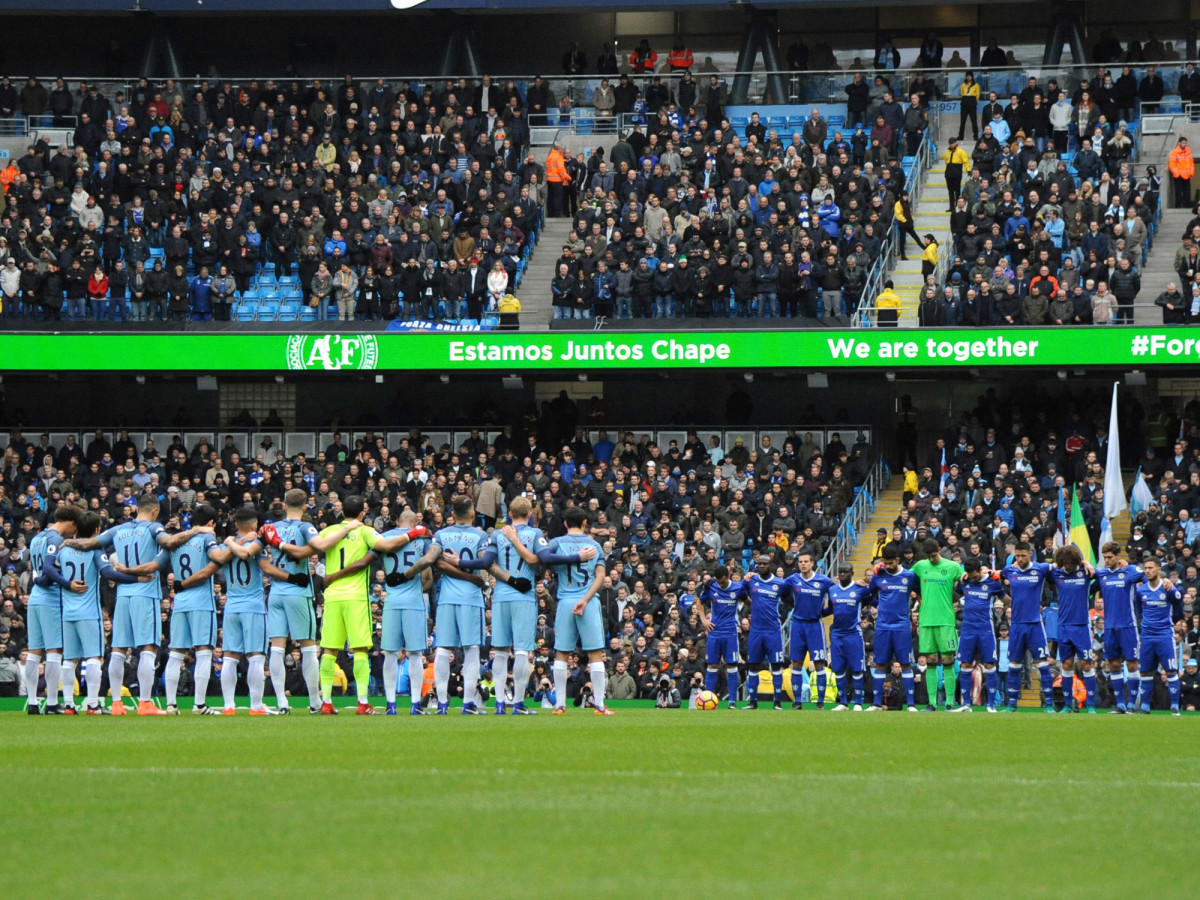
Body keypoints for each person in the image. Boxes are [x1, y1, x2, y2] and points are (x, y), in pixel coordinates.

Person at [457, 496, 595, 714]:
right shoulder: (535, 533)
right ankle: (518, 703)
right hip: (524, 596)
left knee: (500, 651)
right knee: (522, 650)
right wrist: (577, 556)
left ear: (509, 515)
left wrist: (459, 562)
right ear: (530, 515)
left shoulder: (499, 534)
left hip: (501, 595)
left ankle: (500, 703)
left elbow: (485, 563)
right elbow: (546, 559)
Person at [70, 492, 199, 715]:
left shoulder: (118, 529)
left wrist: (68, 542)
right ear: (155, 510)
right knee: (148, 647)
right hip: (145, 594)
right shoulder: (152, 528)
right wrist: (195, 530)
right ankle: (145, 703)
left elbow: (90, 543)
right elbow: (169, 541)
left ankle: (117, 703)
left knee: (119, 649)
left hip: (123, 595)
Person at [400, 497, 492, 714]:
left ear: (452, 515)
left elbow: (430, 559)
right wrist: (470, 575)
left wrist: (407, 574)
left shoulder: (441, 535)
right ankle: (468, 703)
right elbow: (484, 561)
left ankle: (442, 704)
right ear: (472, 514)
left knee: (443, 649)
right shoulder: (479, 535)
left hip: (447, 598)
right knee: (471, 650)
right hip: (470, 598)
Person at [42, 513, 140, 714]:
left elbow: (48, 569)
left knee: (69, 660)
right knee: (94, 657)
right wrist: (137, 579)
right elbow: (108, 573)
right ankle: (93, 705)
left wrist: (66, 583)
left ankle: (69, 705)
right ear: (97, 530)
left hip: (68, 613)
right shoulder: (95, 549)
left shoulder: (64, 548)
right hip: (89, 613)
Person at [301, 495, 389, 715]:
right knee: (360, 649)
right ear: (362, 513)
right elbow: (385, 546)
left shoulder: (329, 532)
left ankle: (327, 702)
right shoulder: (365, 531)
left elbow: (311, 547)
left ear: (341, 513)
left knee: (329, 649)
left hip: (332, 597)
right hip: (356, 596)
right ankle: (362, 702)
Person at [218, 508, 297, 715]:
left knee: (229, 656)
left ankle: (229, 706)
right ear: (254, 526)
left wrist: (231, 541)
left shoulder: (226, 546)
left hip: (231, 606)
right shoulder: (256, 546)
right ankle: (255, 706)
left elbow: (223, 557)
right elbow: (268, 569)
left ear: (236, 525)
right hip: (253, 606)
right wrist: (291, 578)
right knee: (256, 656)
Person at [257, 489, 322, 714]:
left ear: (284, 505)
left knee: (277, 647)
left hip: (275, 592)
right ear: (305, 507)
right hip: (298, 592)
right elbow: (318, 545)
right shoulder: (305, 527)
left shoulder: (271, 528)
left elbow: (258, 557)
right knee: (308, 646)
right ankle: (315, 702)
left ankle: (281, 702)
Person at [544, 507, 610, 715]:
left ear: (565, 523)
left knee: (562, 653)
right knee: (595, 654)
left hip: (565, 600)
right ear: (584, 523)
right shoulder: (594, 545)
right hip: (588, 602)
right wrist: (585, 599)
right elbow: (600, 577)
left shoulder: (556, 543)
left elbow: (542, 558)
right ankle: (599, 705)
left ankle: (560, 705)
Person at [163, 504, 228, 715]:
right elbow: (219, 557)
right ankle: (199, 705)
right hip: (201, 602)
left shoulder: (178, 541)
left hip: (180, 601)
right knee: (203, 651)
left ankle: (171, 705)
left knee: (175, 653)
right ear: (210, 523)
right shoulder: (207, 538)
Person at [24, 506, 83, 714]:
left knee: (34, 652)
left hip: (35, 599)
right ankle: (50, 703)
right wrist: (68, 584)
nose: (72, 534)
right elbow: (49, 569)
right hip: (50, 599)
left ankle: (32, 703)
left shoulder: (37, 538)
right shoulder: (56, 539)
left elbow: (37, 570)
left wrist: (39, 579)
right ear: (71, 524)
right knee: (54, 651)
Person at [999, 540, 1055, 713]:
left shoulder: (1041, 568)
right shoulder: (1010, 571)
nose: (1020, 559)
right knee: (1014, 664)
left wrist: (1083, 562)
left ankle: (1049, 705)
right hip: (1016, 625)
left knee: (1043, 664)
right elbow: (992, 575)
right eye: (1018, 555)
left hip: (1035, 624)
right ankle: (1012, 704)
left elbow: (1062, 563)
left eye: (1023, 555)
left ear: (1030, 554)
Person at [910, 539, 964, 710]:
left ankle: (949, 703)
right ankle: (932, 703)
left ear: (939, 550)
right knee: (931, 661)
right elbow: (905, 578)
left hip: (946, 621)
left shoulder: (952, 567)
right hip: (926, 620)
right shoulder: (920, 566)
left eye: (933, 556)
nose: (931, 559)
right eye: (929, 557)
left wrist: (954, 597)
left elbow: (965, 582)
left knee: (948, 661)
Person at [866, 548, 919, 712]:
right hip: (882, 626)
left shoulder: (909, 576)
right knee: (880, 663)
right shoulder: (878, 575)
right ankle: (876, 703)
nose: (888, 566)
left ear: (898, 559)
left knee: (905, 664)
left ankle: (910, 704)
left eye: (891, 563)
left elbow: (921, 593)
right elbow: (869, 595)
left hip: (902, 625)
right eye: (885, 563)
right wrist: (879, 607)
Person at [1095, 541, 1144, 713]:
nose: (1107, 560)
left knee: (1132, 664)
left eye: (1110, 557)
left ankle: (1132, 704)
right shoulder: (1102, 575)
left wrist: (1165, 580)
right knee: (1114, 664)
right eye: (1105, 557)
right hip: (1109, 628)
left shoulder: (1129, 571)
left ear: (1118, 556)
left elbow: (1147, 576)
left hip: (1128, 626)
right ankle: (1120, 704)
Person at [1050, 543, 1098, 713]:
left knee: (1086, 664)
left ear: (1076, 561)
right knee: (1067, 665)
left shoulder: (1085, 573)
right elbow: (1042, 570)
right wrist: (1056, 564)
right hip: (1063, 626)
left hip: (1081, 626)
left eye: (1070, 563)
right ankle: (1069, 705)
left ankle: (1090, 705)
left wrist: (1087, 563)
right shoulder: (1057, 573)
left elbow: (1100, 576)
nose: (1067, 566)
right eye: (1064, 563)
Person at [952, 558, 1004, 712]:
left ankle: (991, 705)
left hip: (985, 629)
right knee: (965, 665)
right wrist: (957, 583)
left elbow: (1006, 599)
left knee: (989, 665)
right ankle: (966, 704)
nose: (972, 579)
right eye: (970, 576)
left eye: (975, 576)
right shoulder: (965, 581)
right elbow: (954, 596)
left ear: (981, 570)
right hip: (967, 629)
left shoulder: (993, 583)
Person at [1132, 555, 1183, 715]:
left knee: (1170, 670)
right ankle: (1145, 707)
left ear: (1159, 569)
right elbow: (1138, 611)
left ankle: (1175, 706)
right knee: (1145, 671)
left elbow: (1178, 605)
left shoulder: (1167, 588)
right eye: (1145, 568)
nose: (1147, 571)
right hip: (1147, 636)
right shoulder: (1141, 590)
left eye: (1150, 568)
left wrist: (1172, 623)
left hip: (1164, 635)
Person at [785, 549, 835, 710]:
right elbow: (780, 591)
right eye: (800, 562)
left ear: (812, 563)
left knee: (819, 663)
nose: (803, 564)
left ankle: (820, 702)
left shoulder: (824, 581)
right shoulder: (793, 579)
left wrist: (825, 612)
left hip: (815, 625)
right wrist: (793, 606)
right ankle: (797, 702)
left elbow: (836, 597)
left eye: (806, 561)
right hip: (798, 625)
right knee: (797, 663)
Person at [743, 554, 791, 710]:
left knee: (776, 665)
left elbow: (789, 600)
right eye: (759, 563)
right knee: (753, 665)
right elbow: (740, 593)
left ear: (771, 565)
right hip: (756, 629)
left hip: (773, 630)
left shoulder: (780, 583)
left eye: (765, 563)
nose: (762, 566)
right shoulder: (752, 581)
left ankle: (777, 702)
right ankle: (753, 701)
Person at [697, 564, 746, 709]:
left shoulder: (738, 588)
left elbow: (747, 600)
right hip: (714, 632)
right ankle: (708, 698)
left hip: (730, 632)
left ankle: (732, 701)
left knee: (731, 665)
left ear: (728, 576)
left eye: (723, 581)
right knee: (712, 664)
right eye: (718, 581)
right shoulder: (711, 587)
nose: (720, 584)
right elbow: (699, 601)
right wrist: (704, 620)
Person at [828, 563, 872, 711]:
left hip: (853, 633)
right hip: (837, 634)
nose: (842, 574)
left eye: (846, 572)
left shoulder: (859, 589)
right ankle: (843, 702)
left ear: (852, 573)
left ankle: (858, 703)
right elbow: (829, 608)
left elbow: (871, 599)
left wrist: (866, 586)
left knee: (857, 669)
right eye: (840, 572)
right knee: (838, 669)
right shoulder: (832, 589)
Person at [1168, 136, 1194, 209]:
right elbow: (1172, 165)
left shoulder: (1188, 152)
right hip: (1178, 176)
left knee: (1187, 193)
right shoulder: (1174, 153)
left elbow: (1192, 164)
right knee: (1178, 193)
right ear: (1179, 143)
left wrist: (1191, 173)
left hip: (1187, 176)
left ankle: (1187, 206)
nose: (1184, 144)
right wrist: (1177, 174)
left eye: (1185, 143)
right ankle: (1178, 206)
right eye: (1183, 143)